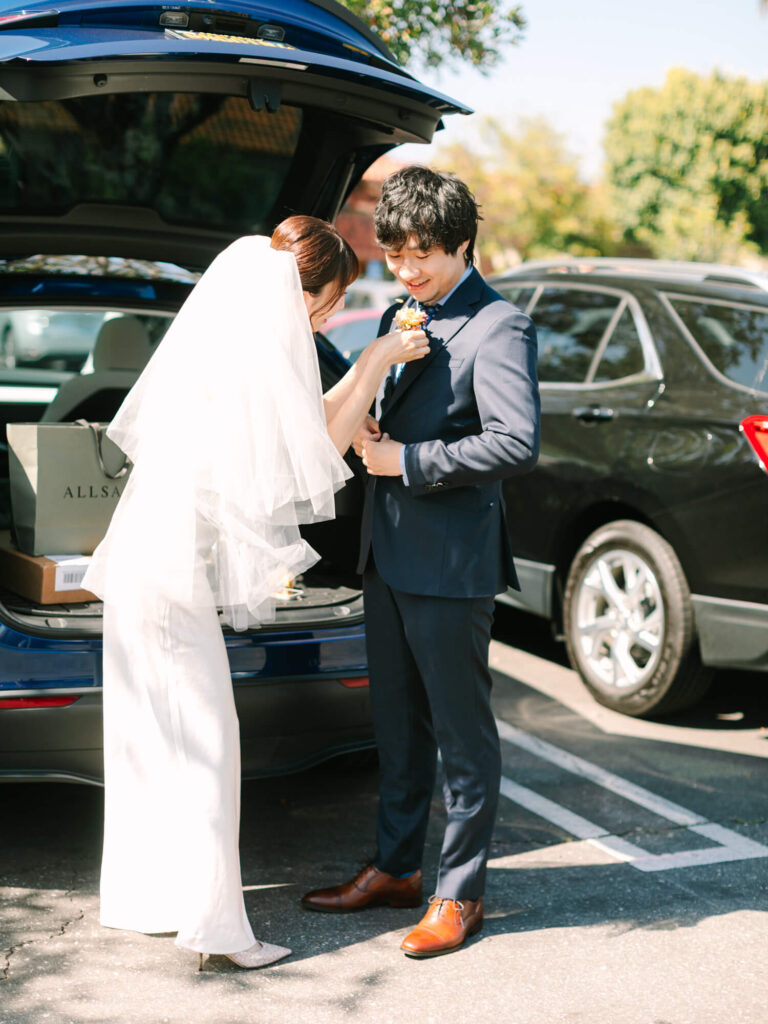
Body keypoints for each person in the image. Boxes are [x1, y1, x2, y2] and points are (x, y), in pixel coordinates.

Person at [82, 216, 429, 970]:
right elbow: (297, 468)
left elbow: (304, 428)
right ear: (297, 292)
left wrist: (362, 369)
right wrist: (373, 362)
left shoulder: (237, 344)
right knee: (209, 746)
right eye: (331, 302)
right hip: (169, 577)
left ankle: (154, 900)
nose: (332, 315)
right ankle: (217, 932)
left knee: (155, 739)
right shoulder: (255, 352)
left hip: (151, 564)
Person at [301, 167, 540, 958]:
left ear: (463, 243)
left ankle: (458, 893)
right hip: (387, 554)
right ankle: (398, 867)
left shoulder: (498, 325)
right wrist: (370, 421)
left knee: (461, 737)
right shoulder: (402, 311)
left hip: (449, 562)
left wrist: (407, 459)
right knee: (397, 730)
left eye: (423, 256)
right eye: (395, 255)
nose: (406, 271)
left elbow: (514, 441)